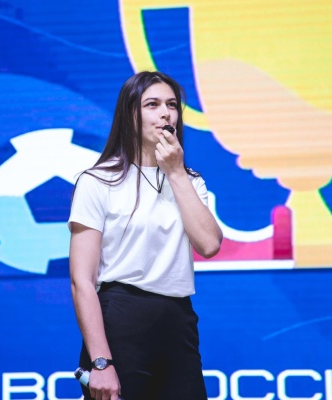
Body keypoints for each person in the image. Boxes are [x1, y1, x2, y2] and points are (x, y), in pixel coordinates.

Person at [68, 71, 223, 400]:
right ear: (130, 114)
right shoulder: (98, 181)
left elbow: (209, 244)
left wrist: (176, 172)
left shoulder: (190, 181)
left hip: (178, 320)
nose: (166, 113)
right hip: (121, 319)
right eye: (152, 104)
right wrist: (101, 362)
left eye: (172, 105)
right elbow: (82, 281)